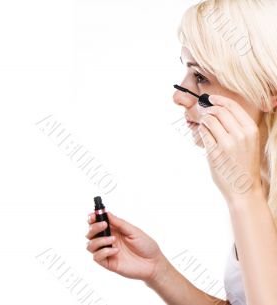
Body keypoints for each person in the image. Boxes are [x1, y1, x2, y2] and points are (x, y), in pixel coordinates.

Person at [85, 1, 277, 304]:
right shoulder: (263, 184)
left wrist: (244, 195)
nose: (178, 96)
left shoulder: (249, 194)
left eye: (200, 77)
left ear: (267, 92)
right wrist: (158, 272)